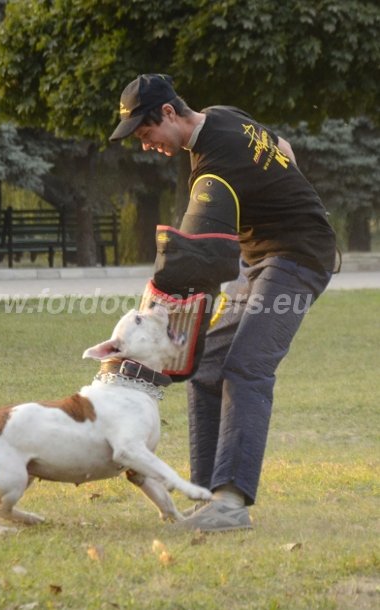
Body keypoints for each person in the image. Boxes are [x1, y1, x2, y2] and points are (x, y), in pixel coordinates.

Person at [109, 74, 337, 532]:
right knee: (208, 365)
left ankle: (230, 504)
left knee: (247, 367)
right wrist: (288, 196)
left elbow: (187, 255)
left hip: (300, 259)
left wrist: (145, 311)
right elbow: (284, 147)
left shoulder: (212, 167)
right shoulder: (224, 117)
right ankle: (207, 497)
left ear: (169, 113)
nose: (145, 144)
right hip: (265, 261)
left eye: (145, 132)